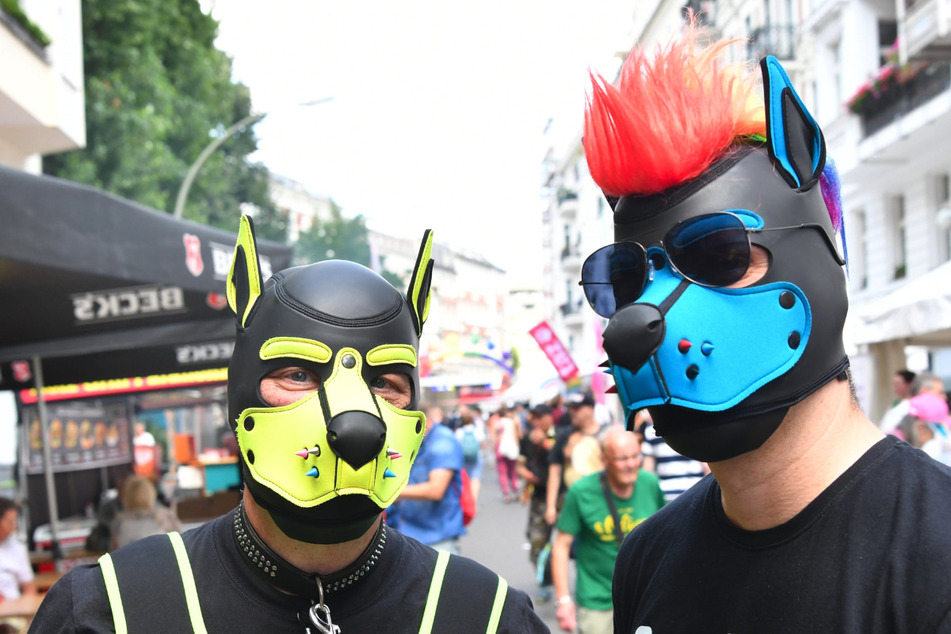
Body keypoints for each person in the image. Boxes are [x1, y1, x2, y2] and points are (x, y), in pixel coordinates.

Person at [579, 21, 951, 630]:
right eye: (625, 279)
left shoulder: (934, 560)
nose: (642, 316)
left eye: (722, 255)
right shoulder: (646, 559)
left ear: (821, 259)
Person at [31, 217, 545, 633]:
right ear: (241, 395)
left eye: (386, 381)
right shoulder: (114, 611)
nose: (356, 421)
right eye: (298, 373)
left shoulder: (484, 616)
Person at [550, 430, 664, 634]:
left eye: (634, 457)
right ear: (604, 460)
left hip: (644, 597)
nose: (631, 464)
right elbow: (561, 545)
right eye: (622, 459)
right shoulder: (581, 492)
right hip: (597, 600)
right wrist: (564, 600)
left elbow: (664, 539)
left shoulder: (650, 484)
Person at [396, 406, 466, 553]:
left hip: (437, 537)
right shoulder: (418, 441)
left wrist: (393, 491)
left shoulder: (443, 441)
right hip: (410, 532)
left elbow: (436, 489)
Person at [545, 392, 606, 526]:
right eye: (570, 408)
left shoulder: (606, 434)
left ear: (590, 408)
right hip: (571, 503)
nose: (572, 412)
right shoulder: (564, 435)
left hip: (602, 502)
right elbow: (554, 471)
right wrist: (551, 506)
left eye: (577, 408)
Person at [515, 404, 556, 597]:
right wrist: (526, 475)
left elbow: (566, 454)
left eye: (541, 417)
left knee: (569, 544)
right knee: (535, 540)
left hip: (564, 497)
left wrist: (545, 443)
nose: (537, 422)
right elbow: (519, 465)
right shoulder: (527, 438)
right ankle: (545, 581)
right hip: (539, 496)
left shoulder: (561, 434)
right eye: (534, 418)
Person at [638, 412, 708, 503]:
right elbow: (707, 467)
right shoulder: (697, 426)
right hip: (695, 491)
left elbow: (648, 470)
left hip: (666, 495)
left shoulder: (652, 430)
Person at [110, 476, 182, 549]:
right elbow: (181, 542)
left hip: (130, 559)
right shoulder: (165, 516)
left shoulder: (119, 522)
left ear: (126, 496)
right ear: (151, 494)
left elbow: (114, 551)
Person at [0, 498, 35, 601]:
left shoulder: (17, 548)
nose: (14, 528)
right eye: (10, 523)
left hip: (13, 611)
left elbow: (29, 588)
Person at [454, 404, 486, 503]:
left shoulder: (459, 431)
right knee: (475, 478)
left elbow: (456, 445)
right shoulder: (477, 430)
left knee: (465, 479)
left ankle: (466, 500)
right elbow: (482, 443)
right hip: (477, 456)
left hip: (463, 457)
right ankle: (473, 500)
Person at [494, 405, 522, 503]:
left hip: (500, 449)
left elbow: (495, 437)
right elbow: (515, 435)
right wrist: (517, 447)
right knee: (513, 471)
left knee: (502, 472)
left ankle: (506, 493)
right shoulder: (511, 422)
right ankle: (515, 491)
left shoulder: (497, 423)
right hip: (511, 448)